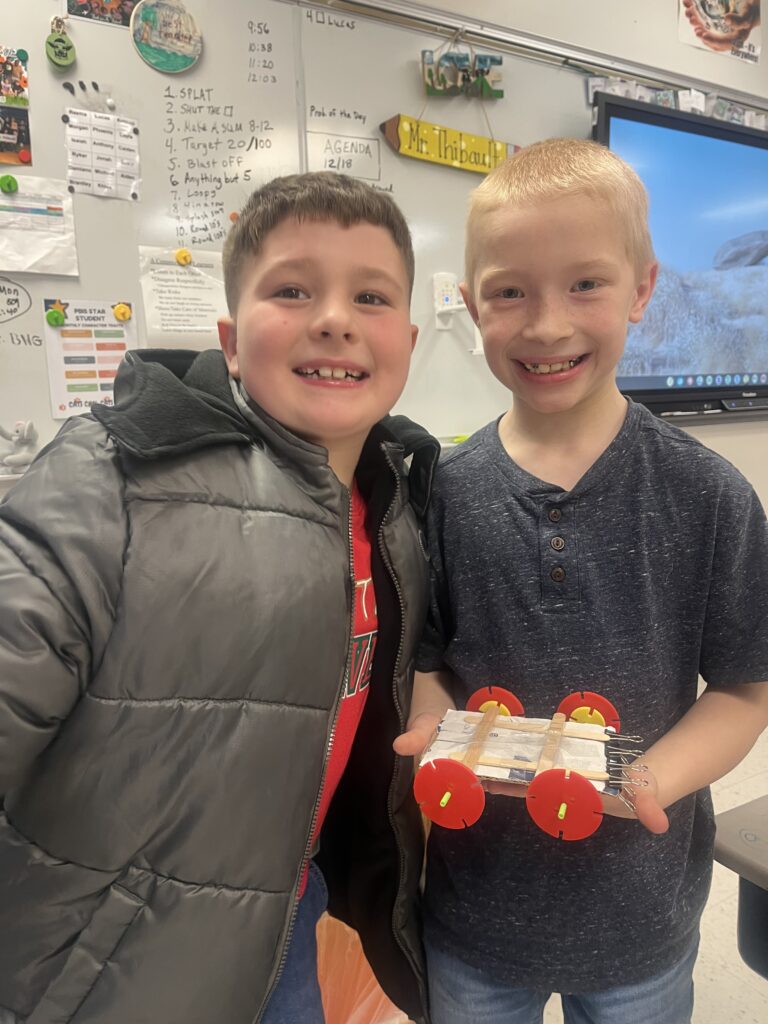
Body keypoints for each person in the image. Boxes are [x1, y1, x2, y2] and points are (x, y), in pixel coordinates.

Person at [0, 172, 439, 1024]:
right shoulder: (112, 478)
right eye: (292, 289)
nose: (335, 317)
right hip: (109, 968)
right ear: (230, 342)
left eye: (370, 295)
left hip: (286, 918)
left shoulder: (399, 503)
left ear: (410, 342)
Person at [395, 138, 768, 1024]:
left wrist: (652, 779)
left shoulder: (708, 495)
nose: (547, 324)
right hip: (474, 917)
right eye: (510, 291)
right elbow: (430, 658)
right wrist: (429, 723)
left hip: (641, 919)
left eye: (586, 285)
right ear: (470, 304)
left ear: (644, 289)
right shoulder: (445, 492)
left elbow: (748, 689)